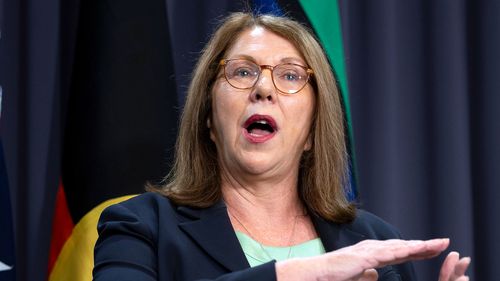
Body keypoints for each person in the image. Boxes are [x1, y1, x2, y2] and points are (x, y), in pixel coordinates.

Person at [93, 12, 471, 281]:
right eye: (242, 71)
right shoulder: (141, 227)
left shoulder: (377, 244)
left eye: (290, 75)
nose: (263, 88)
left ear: (311, 132)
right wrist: (295, 275)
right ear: (208, 119)